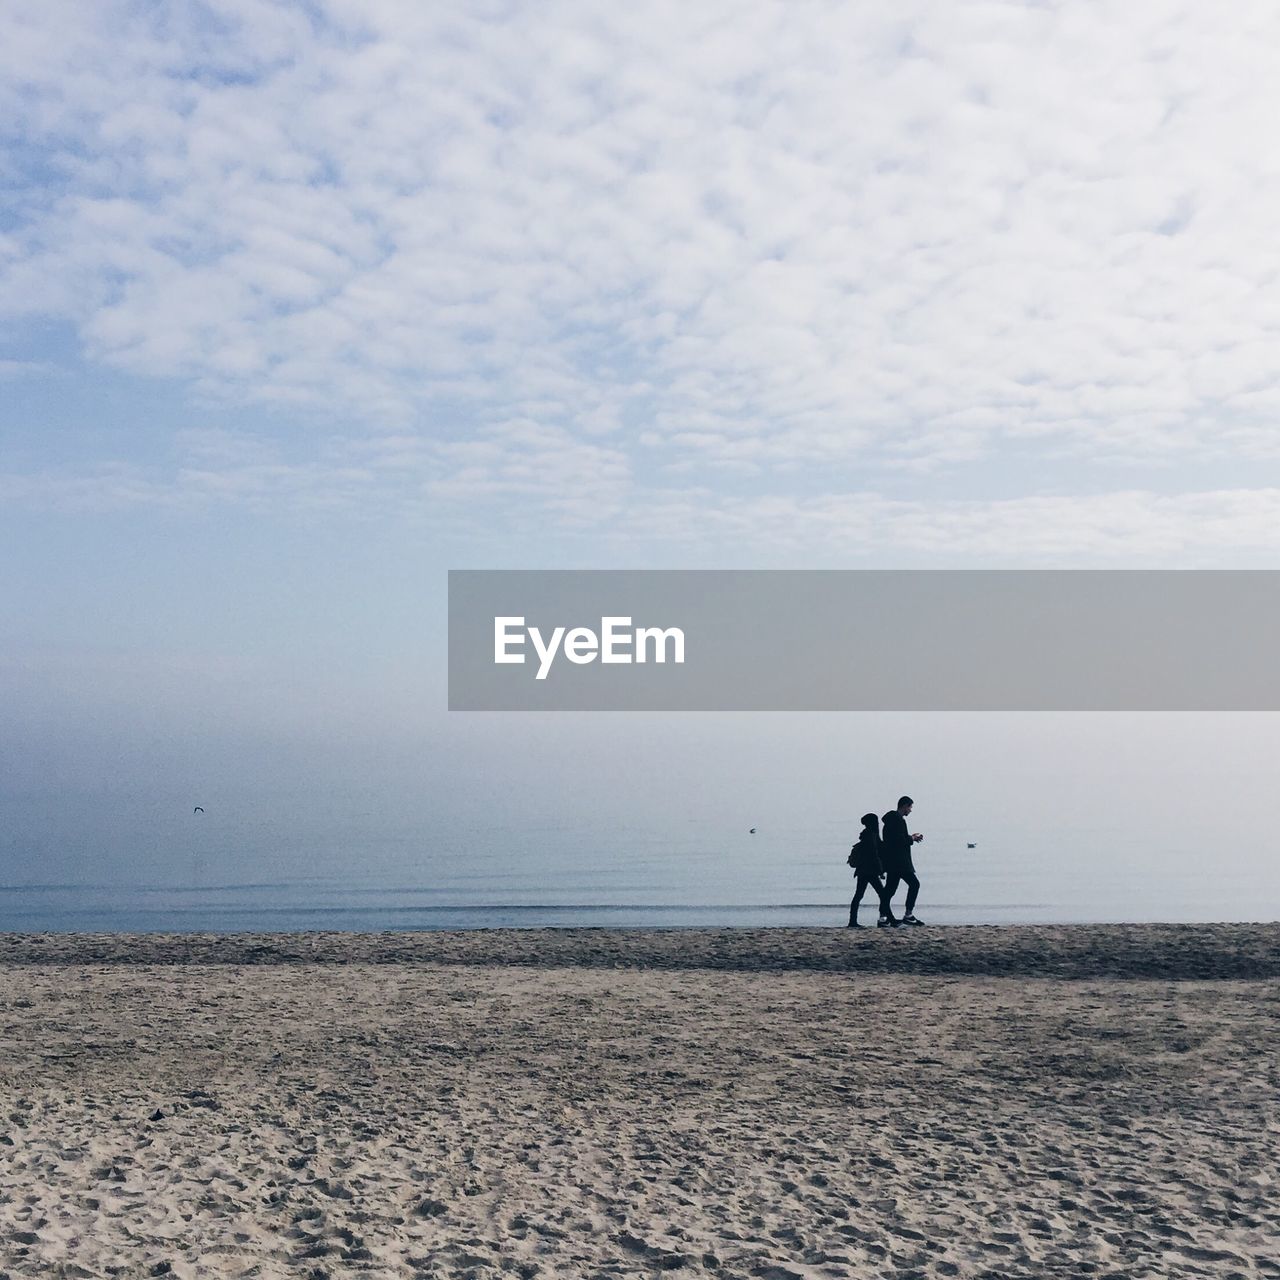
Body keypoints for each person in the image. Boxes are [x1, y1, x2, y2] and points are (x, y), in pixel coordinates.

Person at [847, 812, 898, 928]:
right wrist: (880, 871)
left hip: (863, 870)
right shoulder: (871, 835)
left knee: (859, 895)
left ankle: (852, 921)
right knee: (882, 895)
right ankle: (890, 919)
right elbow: (874, 854)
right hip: (869, 871)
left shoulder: (867, 834)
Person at [881, 795, 925, 925]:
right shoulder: (898, 820)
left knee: (889, 890)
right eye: (910, 807)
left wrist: (910, 837)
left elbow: (894, 838)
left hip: (892, 861)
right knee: (914, 884)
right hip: (900, 861)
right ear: (904, 806)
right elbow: (898, 840)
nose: (910, 810)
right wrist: (912, 839)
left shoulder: (891, 820)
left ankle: (883, 917)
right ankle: (908, 914)